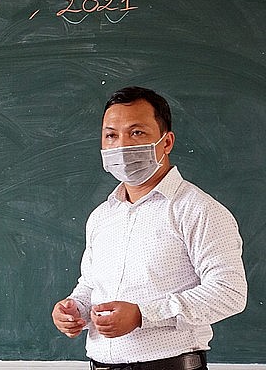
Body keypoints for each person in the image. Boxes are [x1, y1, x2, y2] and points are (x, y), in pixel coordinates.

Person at [51, 86, 247, 370]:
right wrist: (74, 309)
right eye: (111, 135)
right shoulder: (101, 216)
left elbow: (230, 293)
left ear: (166, 143)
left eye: (137, 133)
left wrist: (144, 315)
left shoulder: (198, 210)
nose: (122, 145)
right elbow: (92, 285)